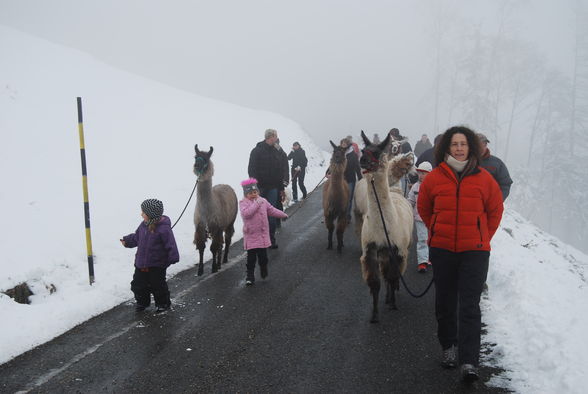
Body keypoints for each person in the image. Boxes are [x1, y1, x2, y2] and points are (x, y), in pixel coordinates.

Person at [417, 126, 504, 383]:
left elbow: (495, 211)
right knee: (445, 302)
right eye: (454, 144)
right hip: (443, 250)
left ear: (471, 148)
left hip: (474, 253)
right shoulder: (434, 178)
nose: (458, 148)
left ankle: (469, 360)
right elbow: (424, 208)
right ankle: (449, 348)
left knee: (469, 305)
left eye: (463, 144)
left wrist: (482, 237)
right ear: (446, 147)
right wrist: (438, 230)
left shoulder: (485, 178)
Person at [120, 199, 179, 313]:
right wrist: (127, 241)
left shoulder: (163, 229)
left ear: (151, 214)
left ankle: (163, 304)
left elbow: (170, 243)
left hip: (157, 264)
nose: (141, 214)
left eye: (143, 212)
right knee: (138, 285)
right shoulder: (143, 225)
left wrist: (173, 256)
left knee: (158, 286)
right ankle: (142, 302)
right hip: (141, 263)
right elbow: (137, 238)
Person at [239, 178, 288, 285]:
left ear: (258, 191)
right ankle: (250, 276)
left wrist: (283, 215)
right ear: (246, 194)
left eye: (255, 192)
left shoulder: (263, 201)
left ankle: (263, 268)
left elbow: (272, 210)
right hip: (251, 236)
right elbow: (246, 214)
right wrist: (256, 204)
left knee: (263, 258)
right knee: (251, 259)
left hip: (262, 236)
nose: (253, 194)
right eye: (250, 193)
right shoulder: (243, 203)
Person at [248, 129, 289, 249]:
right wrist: (254, 187)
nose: (276, 139)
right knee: (258, 215)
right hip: (260, 188)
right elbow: (252, 170)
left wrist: (281, 188)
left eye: (276, 137)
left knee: (270, 214)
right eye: (274, 137)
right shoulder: (256, 151)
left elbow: (280, 170)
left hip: (273, 188)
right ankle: (258, 239)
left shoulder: (277, 152)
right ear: (269, 137)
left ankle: (271, 239)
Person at [407, 161, 432, 273]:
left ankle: (429, 258)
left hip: (432, 219)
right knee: (422, 239)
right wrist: (407, 210)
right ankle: (422, 262)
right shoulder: (415, 188)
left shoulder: (434, 187)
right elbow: (410, 201)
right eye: (420, 173)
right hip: (419, 218)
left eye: (424, 173)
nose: (421, 176)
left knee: (432, 239)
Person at [477, 133, 513, 201]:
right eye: (478, 144)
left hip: (489, 206)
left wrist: (497, 200)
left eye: (484, 144)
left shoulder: (497, 163)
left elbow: (505, 184)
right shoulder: (465, 162)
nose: (482, 147)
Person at [341, 138, 363, 219]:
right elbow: (333, 162)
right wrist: (328, 171)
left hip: (350, 179)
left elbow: (357, 167)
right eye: (342, 144)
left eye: (345, 144)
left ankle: (347, 216)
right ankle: (342, 214)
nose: (343, 146)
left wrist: (360, 179)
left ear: (348, 145)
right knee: (341, 198)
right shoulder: (339, 153)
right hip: (341, 179)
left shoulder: (353, 154)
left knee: (348, 198)